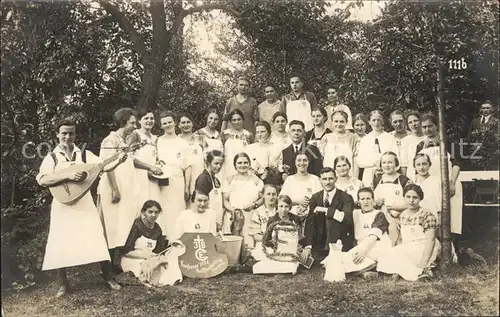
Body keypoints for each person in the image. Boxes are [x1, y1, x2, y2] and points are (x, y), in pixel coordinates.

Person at [36, 118, 126, 297]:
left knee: (97, 236)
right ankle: (63, 284)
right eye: (64, 133)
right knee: (59, 242)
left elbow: (104, 166)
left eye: (71, 133)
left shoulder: (84, 155)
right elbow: (43, 179)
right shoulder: (52, 157)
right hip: (63, 204)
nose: (68, 137)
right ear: (57, 135)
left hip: (84, 202)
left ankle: (107, 277)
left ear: (75, 134)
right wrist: (67, 176)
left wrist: (119, 160)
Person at [98, 108, 139, 268]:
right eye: (132, 123)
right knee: (110, 226)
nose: (135, 126)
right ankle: (106, 269)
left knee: (121, 225)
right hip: (112, 189)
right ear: (123, 123)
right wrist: (115, 189)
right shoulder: (110, 140)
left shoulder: (124, 142)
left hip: (124, 189)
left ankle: (116, 265)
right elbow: (106, 165)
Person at [415, 113, 463, 246]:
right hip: (430, 185)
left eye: (430, 126)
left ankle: (453, 249)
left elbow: (457, 163)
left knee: (452, 215)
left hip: (449, 182)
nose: (427, 129)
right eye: (424, 127)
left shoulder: (448, 142)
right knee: (433, 214)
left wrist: (451, 182)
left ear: (437, 126)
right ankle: (434, 247)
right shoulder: (420, 145)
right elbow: (418, 166)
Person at [377, 184, 441, 281]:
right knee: (387, 255)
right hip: (409, 247)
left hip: (425, 247)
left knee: (402, 257)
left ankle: (419, 272)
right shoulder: (402, 215)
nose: (411, 200)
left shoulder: (427, 215)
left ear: (420, 199)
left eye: (415, 197)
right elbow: (401, 238)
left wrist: (423, 262)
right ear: (404, 198)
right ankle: (406, 272)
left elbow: (431, 241)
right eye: (408, 197)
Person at [302, 167, 355, 263]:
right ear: (320, 180)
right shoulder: (315, 197)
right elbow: (310, 223)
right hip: (320, 243)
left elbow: (347, 219)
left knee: (331, 220)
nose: (327, 182)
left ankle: (332, 255)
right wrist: (308, 246)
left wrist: (326, 210)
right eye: (324, 179)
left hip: (340, 241)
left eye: (330, 178)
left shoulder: (346, 197)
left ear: (336, 179)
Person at [156, 111, 192, 240]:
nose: (167, 125)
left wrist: (187, 187)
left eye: (169, 122)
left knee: (177, 211)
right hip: (160, 182)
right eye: (164, 123)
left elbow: (188, 166)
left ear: (175, 123)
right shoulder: (157, 141)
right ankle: (163, 242)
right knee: (162, 211)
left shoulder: (182, 143)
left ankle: (176, 241)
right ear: (161, 126)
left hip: (177, 181)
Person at [342, 188, 391, 277]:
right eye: (362, 199)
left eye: (368, 198)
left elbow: (373, 236)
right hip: (361, 246)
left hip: (376, 245)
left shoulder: (379, 214)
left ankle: (371, 268)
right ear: (358, 201)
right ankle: (367, 271)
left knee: (347, 261)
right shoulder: (355, 213)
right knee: (338, 261)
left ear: (373, 200)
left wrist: (363, 250)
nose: (366, 202)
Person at [222, 153, 264, 250]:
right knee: (233, 245)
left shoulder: (256, 180)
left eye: (245, 162)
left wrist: (254, 205)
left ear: (249, 164)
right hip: (233, 216)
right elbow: (225, 200)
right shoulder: (229, 180)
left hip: (250, 216)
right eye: (239, 163)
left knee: (248, 244)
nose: (242, 165)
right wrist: (233, 210)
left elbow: (262, 198)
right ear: (235, 165)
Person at [120, 200, 168, 283]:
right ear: (143, 212)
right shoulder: (137, 225)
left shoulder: (158, 229)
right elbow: (126, 250)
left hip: (148, 259)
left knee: (163, 268)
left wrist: (155, 257)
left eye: (156, 212)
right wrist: (144, 255)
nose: (153, 215)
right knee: (146, 271)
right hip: (132, 259)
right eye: (150, 212)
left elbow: (159, 251)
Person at [253, 195, 303, 274]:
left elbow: (300, 237)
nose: (283, 209)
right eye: (281, 206)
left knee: (292, 266)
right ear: (277, 207)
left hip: (291, 251)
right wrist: (275, 245)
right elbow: (266, 240)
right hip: (277, 250)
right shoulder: (272, 220)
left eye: (286, 206)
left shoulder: (295, 219)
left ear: (290, 207)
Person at [373, 151, 412, 245]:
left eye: (390, 162)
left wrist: (395, 208)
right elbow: (370, 201)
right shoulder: (377, 179)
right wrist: (375, 203)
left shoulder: (404, 180)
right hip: (381, 218)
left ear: (396, 164)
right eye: (384, 162)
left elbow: (412, 203)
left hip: (400, 218)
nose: (386, 165)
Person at [128, 109, 163, 209]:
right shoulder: (135, 134)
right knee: (140, 205)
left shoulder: (154, 138)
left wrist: (157, 163)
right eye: (146, 118)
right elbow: (129, 158)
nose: (149, 121)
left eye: (152, 118)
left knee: (154, 205)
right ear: (139, 121)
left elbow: (153, 156)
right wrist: (149, 167)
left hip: (152, 177)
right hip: (138, 175)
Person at [356, 110, 398, 187]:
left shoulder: (390, 138)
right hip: (369, 175)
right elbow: (360, 161)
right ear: (369, 122)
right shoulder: (365, 140)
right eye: (374, 120)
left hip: (387, 173)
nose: (376, 123)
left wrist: (383, 164)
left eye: (379, 120)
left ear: (383, 121)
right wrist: (374, 162)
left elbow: (396, 158)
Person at [280, 153, 323, 221]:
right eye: (299, 160)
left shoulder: (315, 179)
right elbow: (281, 201)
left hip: (312, 219)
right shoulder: (289, 180)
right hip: (292, 218)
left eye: (305, 160)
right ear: (295, 162)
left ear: (308, 162)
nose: (302, 163)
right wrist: (298, 202)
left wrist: (310, 203)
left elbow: (322, 200)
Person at [319, 110, 359, 177]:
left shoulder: (353, 137)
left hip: (348, 175)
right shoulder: (326, 138)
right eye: (336, 121)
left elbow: (356, 160)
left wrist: (355, 178)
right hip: (330, 176)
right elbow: (322, 158)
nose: (339, 124)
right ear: (332, 122)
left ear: (346, 122)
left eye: (342, 121)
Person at [194, 150, 226, 233]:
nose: (218, 166)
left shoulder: (216, 180)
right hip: (206, 222)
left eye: (221, 164)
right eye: (216, 163)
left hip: (216, 221)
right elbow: (200, 204)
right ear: (208, 162)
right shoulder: (203, 179)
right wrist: (211, 221)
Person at [246, 121, 282, 186]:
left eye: (263, 132)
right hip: (254, 181)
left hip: (273, 181)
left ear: (268, 132)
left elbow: (279, 165)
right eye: (257, 132)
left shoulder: (276, 148)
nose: (260, 134)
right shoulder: (250, 148)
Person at [221, 109, 253, 178]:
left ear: (243, 120)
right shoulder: (225, 134)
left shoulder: (248, 135)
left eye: (239, 119)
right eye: (234, 120)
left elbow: (252, 153)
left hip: (243, 166)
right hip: (228, 166)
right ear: (231, 122)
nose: (237, 122)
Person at [178, 113, 205, 196]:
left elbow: (206, 158)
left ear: (192, 123)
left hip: (198, 175)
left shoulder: (200, 138)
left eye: (188, 122)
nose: (186, 125)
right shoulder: (177, 139)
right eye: (183, 122)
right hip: (181, 176)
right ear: (178, 125)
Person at [413, 153, 441, 223]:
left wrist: (439, 219)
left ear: (429, 165)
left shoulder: (436, 181)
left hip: (431, 217)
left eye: (424, 164)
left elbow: (439, 203)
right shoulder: (412, 181)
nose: (421, 167)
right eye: (418, 165)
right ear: (414, 166)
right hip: (415, 217)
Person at [399, 111, 425, 181]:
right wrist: (405, 181)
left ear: (421, 121)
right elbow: (403, 165)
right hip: (412, 176)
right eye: (410, 122)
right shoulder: (405, 141)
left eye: (415, 121)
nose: (413, 124)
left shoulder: (428, 138)